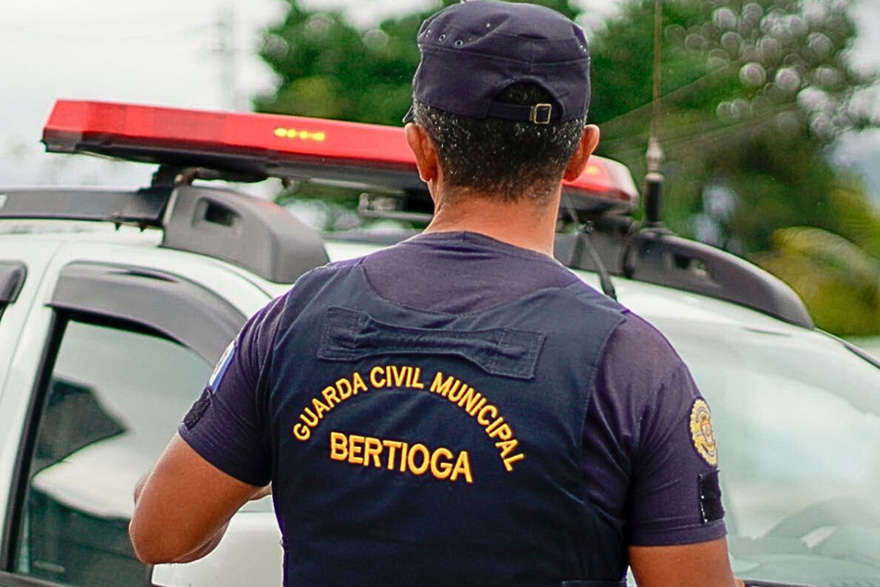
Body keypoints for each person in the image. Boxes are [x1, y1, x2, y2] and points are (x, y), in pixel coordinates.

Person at [129, 1, 740, 586]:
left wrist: (265, 465)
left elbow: (160, 535)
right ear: (581, 154)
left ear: (421, 148)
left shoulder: (296, 320)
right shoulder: (631, 362)